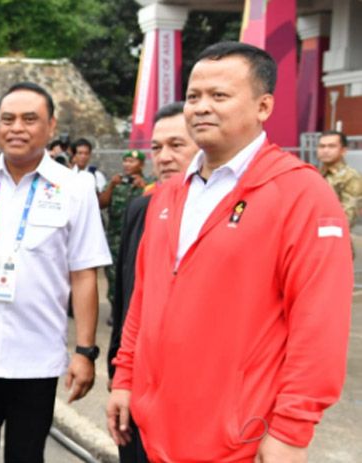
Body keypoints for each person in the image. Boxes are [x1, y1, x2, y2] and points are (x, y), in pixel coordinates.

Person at [106, 41, 352, 462]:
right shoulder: (167, 195)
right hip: (152, 430)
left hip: (236, 441)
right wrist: (124, 378)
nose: (201, 107)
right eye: (194, 96)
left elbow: (319, 325)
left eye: (219, 96)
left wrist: (291, 431)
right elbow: (143, 299)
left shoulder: (301, 194)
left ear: (264, 106)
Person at [0, 82, 111, 463]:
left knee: (27, 455)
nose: (17, 127)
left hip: (37, 359)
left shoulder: (75, 189)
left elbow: (84, 275)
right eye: (8, 119)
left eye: (29, 119)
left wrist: (85, 352)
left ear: (50, 127)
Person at [106, 101, 198, 463]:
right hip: (136, 387)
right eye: (157, 148)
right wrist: (117, 373)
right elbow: (125, 295)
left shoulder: (231, 217)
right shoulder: (141, 209)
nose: (164, 157)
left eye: (178, 146)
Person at [98, 149, 148, 310]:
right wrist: (111, 185)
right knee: (112, 276)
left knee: (135, 276)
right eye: (125, 161)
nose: (127, 164)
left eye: (132, 161)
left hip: (138, 240)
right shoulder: (116, 183)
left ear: (141, 165)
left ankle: (131, 309)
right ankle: (115, 308)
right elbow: (101, 204)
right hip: (115, 239)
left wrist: (144, 187)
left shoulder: (149, 183)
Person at [318, 130, 362, 229]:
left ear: (343, 151)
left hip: (334, 236)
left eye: (331, 146)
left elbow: (348, 217)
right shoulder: (315, 174)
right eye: (322, 146)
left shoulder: (351, 177)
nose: (325, 150)